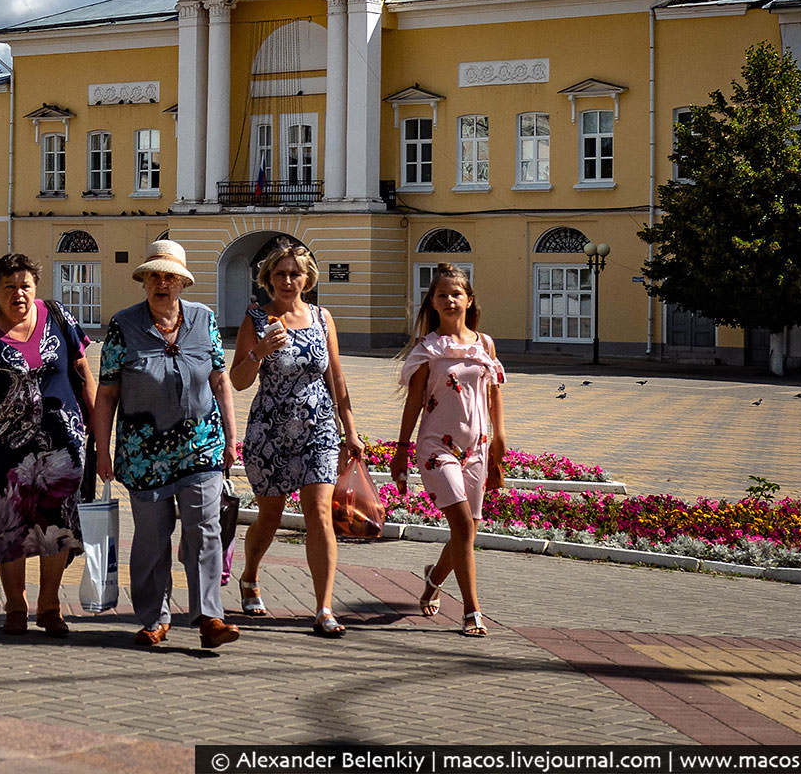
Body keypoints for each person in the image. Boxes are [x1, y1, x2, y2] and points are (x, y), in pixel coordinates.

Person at [92, 240, 240, 649]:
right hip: (144, 452)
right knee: (153, 537)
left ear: (182, 283)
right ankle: (154, 617)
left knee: (205, 530)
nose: (162, 283)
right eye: (155, 275)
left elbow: (219, 380)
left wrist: (230, 436)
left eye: (170, 276)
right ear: (143, 280)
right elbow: (106, 394)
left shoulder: (203, 319)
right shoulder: (124, 324)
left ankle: (210, 617)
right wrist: (102, 450)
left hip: (201, 445)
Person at [0, 253, 94, 637]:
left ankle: (49, 605)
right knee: (7, 528)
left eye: (25, 286)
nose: (18, 294)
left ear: (36, 288)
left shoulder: (58, 317)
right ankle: (15, 605)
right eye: (9, 287)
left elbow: (82, 370)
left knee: (57, 525)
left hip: (61, 443)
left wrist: (99, 427)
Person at [231, 239, 365, 639]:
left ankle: (324, 608)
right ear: (267, 279)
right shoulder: (256, 319)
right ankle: (250, 574)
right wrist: (259, 351)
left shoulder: (323, 318)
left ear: (307, 278)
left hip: (319, 428)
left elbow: (336, 377)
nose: (288, 280)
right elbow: (237, 381)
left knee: (320, 514)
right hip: (270, 431)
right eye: (280, 274)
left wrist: (351, 431)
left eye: (295, 273)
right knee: (270, 517)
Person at [390, 263, 508, 638]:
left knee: (467, 531)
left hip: (478, 447)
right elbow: (413, 403)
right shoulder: (429, 349)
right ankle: (472, 610)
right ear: (433, 303)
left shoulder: (484, 344)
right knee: (460, 524)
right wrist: (401, 450)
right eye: (442, 295)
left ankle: (433, 578)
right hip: (436, 447)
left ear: (469, 300)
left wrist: (500, 440)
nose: (450, 300)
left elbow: (494, 393)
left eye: (456, 294)